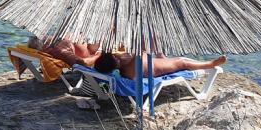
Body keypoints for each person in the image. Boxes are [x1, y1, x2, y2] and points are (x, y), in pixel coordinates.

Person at [93, 50, 226, 80]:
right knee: (182, 62)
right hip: (157, 69)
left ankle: (163, 56)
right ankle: (210, 63)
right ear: (116, 64)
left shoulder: (124, 65)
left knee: (174, 58)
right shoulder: (128, 70)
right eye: (116, 58)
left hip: (154, 61)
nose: (118, 56)